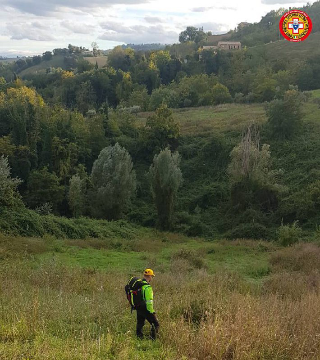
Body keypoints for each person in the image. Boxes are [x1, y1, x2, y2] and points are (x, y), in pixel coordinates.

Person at [130, 269, 159, 340]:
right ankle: (153, 339)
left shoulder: (139, 284)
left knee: (140, 323)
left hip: (138, 307)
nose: (152, 278)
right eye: (152, 276)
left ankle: (139, 337)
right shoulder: (147, 287)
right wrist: (152, 312)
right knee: (156, 324)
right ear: (149, 276)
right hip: (145, 308)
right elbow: (149, 302)